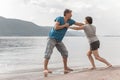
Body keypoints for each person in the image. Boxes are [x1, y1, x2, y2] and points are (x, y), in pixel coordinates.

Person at [44, 9, 83, 77]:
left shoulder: (70, 21)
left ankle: (65, 68)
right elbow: (56, 27)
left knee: (65, 53)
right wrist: (65, 25)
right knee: (48, 53)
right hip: (52, 38)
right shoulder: (60, 18)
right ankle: (45, 69)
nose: (71, 15)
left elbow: (78, 24)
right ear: (66, 13)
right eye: (70, 13)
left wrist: (87, 24)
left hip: (59, 40)